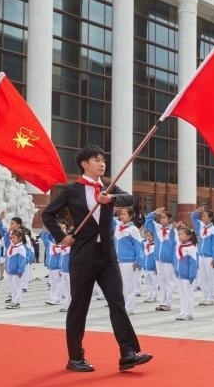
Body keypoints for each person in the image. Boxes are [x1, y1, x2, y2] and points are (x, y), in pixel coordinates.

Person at [41, 145, 152, 373]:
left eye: (103, 160)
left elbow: (129, 198)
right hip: (83, 256)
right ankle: (75, 357)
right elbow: (48, 214)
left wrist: (111, 198)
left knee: (117, 303)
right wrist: (61, 237)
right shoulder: (72, 190)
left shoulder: (108, 187)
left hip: (107, 256)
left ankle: (128, 353)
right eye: (96, 160)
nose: (102, 164)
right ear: (84, 164)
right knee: (79, 307)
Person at [174, 225, 199, 321]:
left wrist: (192, 275)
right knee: (182, 295)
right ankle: (183, 312)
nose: (179, 236)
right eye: (179, 234)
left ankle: (189, 313)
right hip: (180, 275)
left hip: (187, 276)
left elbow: (193, 262)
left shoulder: (191, 247)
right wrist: (176, 270)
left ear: (188, 236)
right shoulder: (179, 246)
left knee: (188, 295)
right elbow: (176, 260)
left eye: (182, 234)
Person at [4, 229, 28, 309]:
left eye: (14, 237)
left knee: (17, 287)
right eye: (11, 237)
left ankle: (17, 302)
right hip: (10, 271)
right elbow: (8, 258)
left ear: (20, 238)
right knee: (12, 288)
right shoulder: (11, 247)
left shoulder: (21, 248)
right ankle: (13, 301)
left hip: (17, 272)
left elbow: (22, 260)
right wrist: (6, 267)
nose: (12, 239)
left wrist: (20, 270)